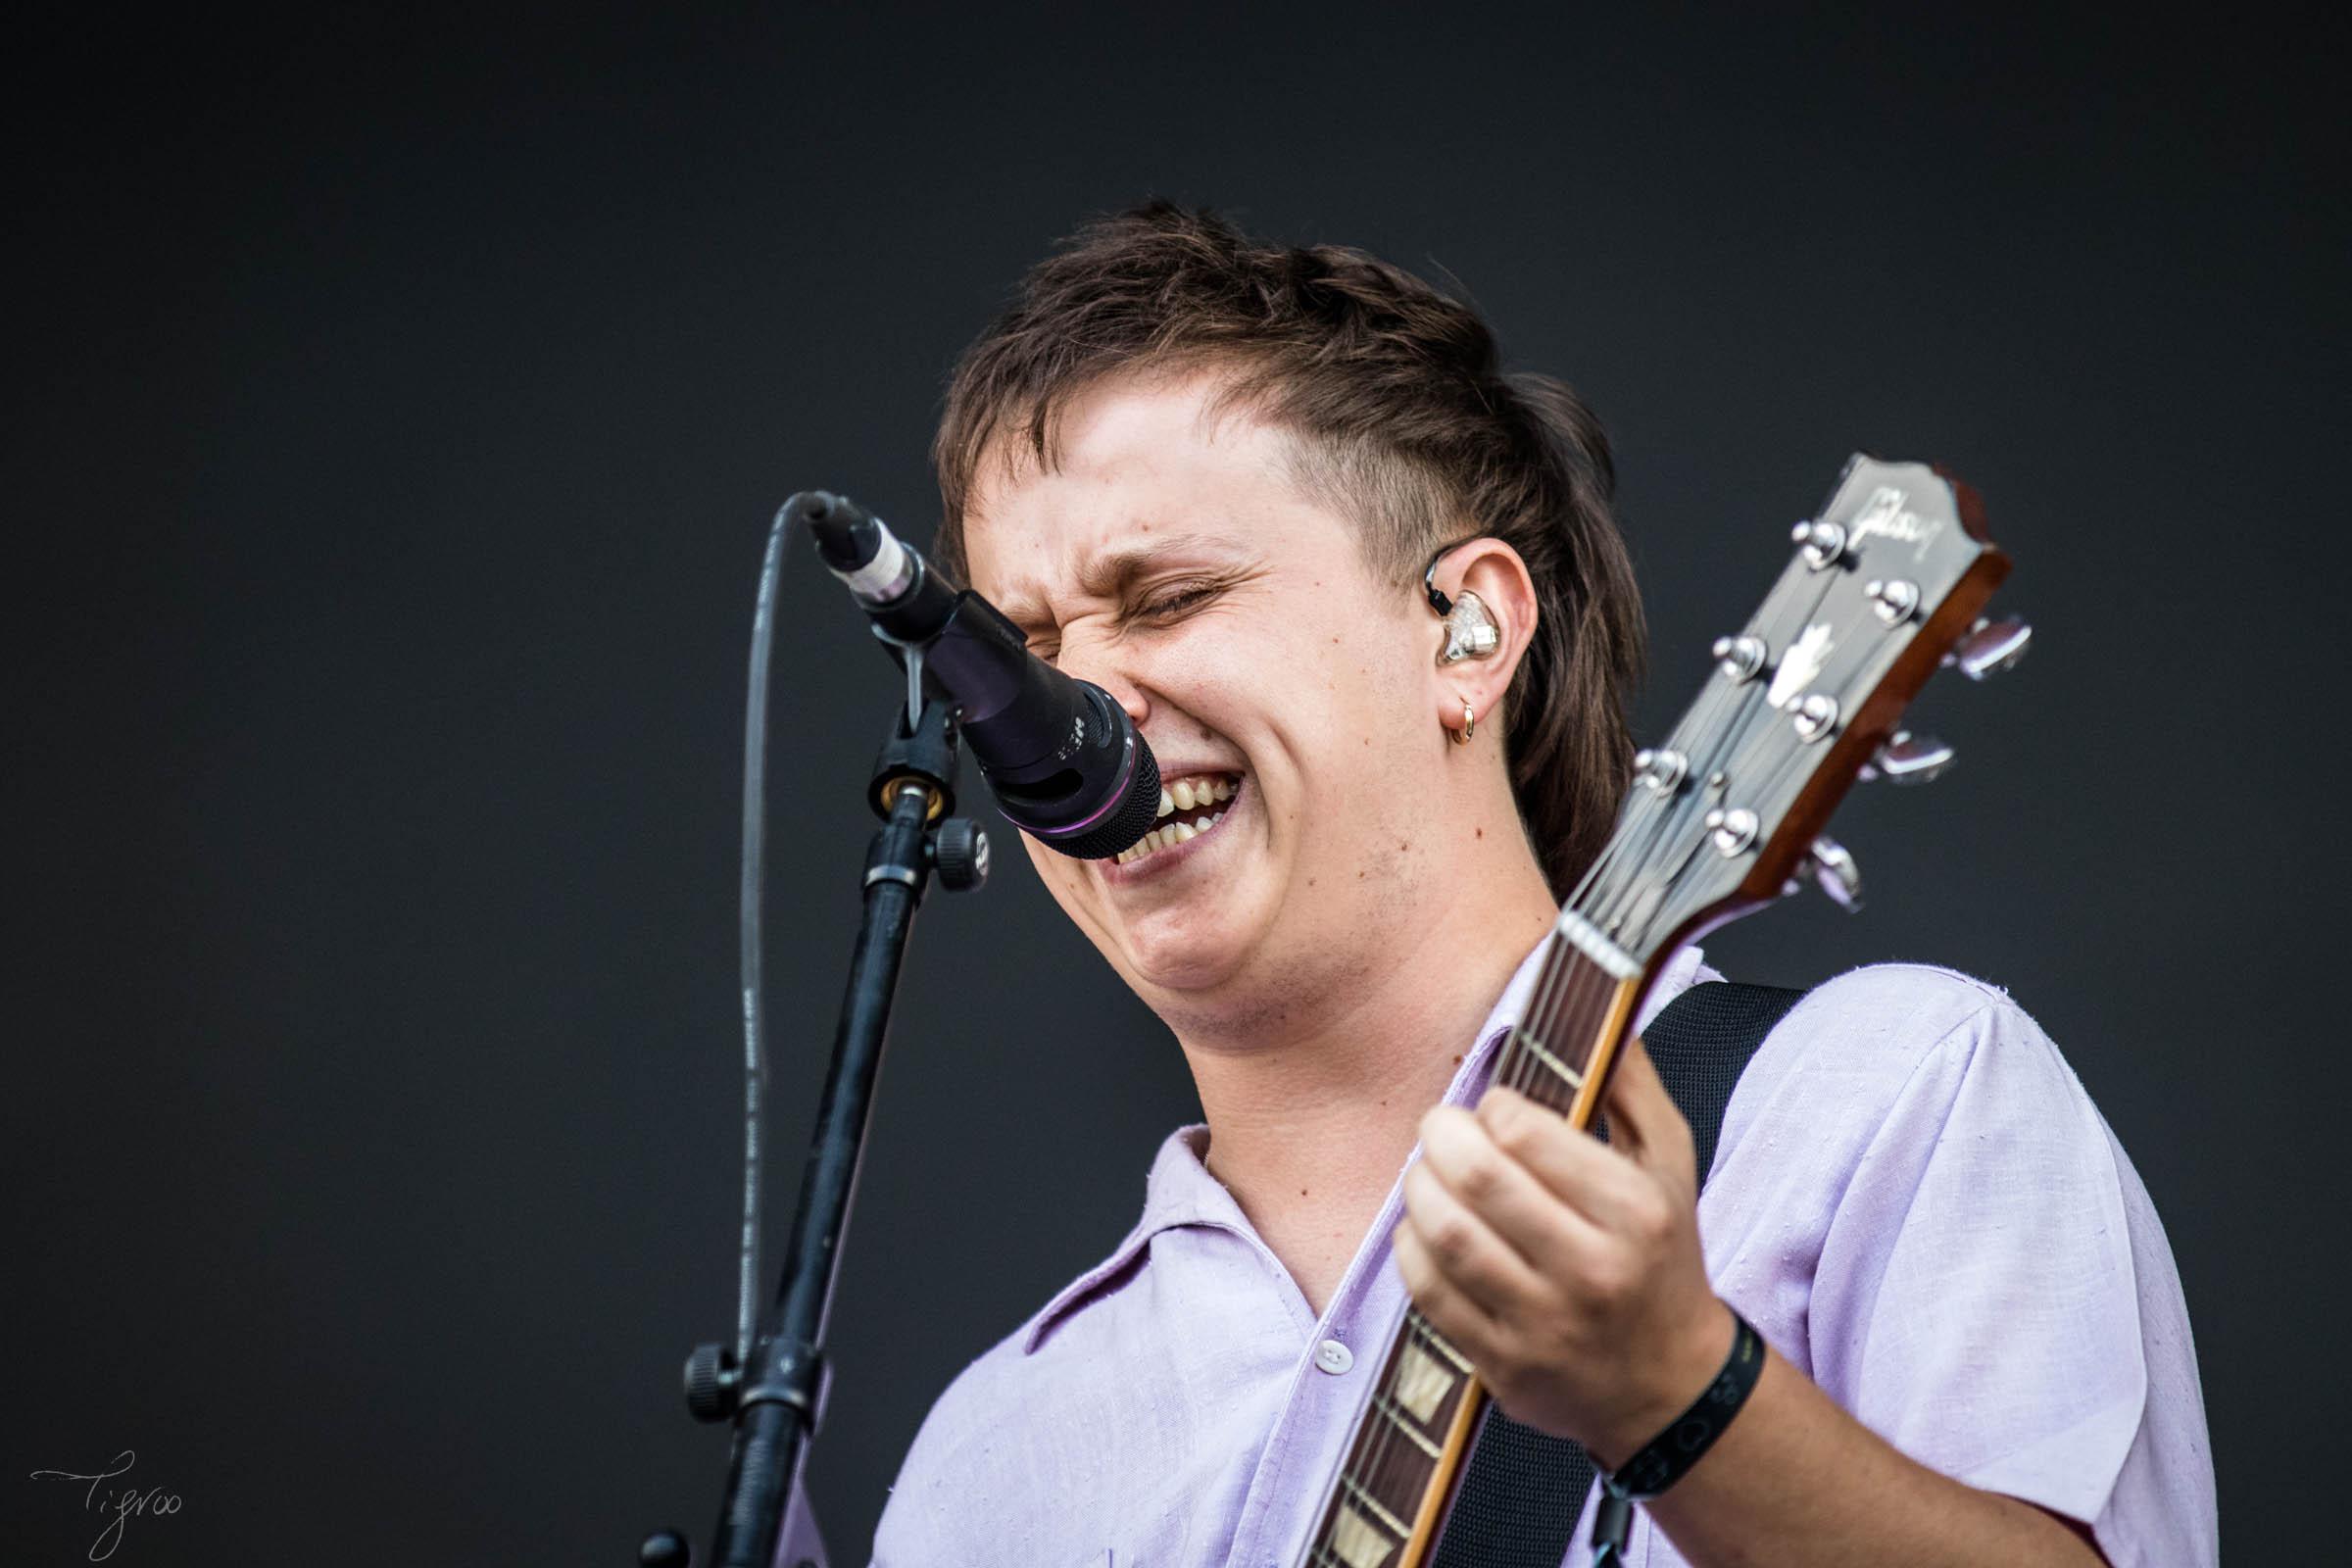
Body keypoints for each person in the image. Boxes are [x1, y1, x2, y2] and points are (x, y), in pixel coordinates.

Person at [863, 204, 2214, 1567]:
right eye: (1021, 654)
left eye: (1164, 598)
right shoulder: (988, 1465)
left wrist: (1678, 1394)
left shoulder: (1882, 1106)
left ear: (1470, 629)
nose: (1070, 712)